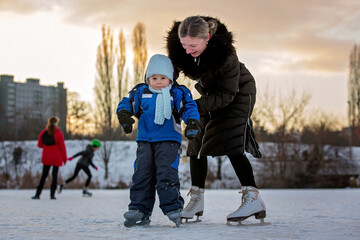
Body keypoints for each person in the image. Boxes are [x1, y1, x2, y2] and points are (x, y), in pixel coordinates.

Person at [166, 15, 265, 223]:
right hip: (212, 96)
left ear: (207, 38)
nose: (187, 51)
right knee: (196, 140)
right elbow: (170, 74)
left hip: (238, 94)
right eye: (184, 44)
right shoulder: (180, 49)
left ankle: (253, 197)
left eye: (193, 45)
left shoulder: (226, 55)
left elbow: (226, 96)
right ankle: (197, 200)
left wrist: (191, 106)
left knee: (230, 141)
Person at [116, 54, 200, 227]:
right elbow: (127, 102)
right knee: (142, 175)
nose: (159, 81)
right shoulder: (141, 91)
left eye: (163, 78)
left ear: (170, 78)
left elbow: (188, 106)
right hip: (145, 141)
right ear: (148, 78)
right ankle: (140, 209)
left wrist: (192, 122)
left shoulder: (177, 92)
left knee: (166, 174)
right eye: (154, 78)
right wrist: (124, 115)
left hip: (168, 141)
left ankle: (173, 208)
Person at [32, 116, 67, 200]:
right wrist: (64, 158)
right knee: (54, 176)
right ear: (56, 123)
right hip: (56, 157)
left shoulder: (43, 132)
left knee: (44, 176)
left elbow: (39, 145)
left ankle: (37, 194)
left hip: (46, 157)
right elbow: (62, 147)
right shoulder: (58, 133)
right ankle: (52, 195)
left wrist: (47, 146)